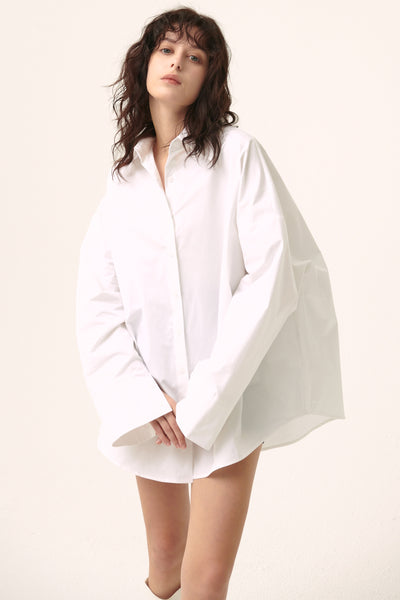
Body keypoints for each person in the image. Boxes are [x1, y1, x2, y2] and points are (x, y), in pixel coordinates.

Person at [75, 6, 345, 600]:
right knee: (166, 563)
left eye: (194, 56)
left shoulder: (237, 154)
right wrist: (143, 399)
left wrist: (204, 398)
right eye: (167, 49)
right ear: (145, 63)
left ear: (209, 77)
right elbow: (98, 302)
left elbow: (272, 275)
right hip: (153, 405)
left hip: (227, 399)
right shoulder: (124, 181)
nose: (177, 62)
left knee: (205, 579)